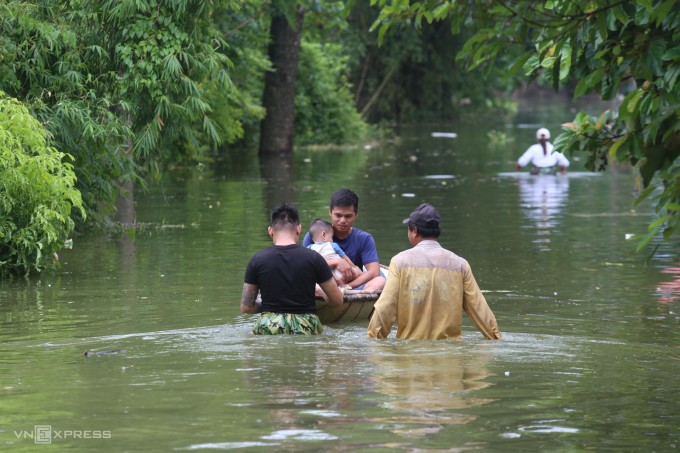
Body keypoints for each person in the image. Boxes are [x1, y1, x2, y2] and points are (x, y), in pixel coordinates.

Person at [367, 203, 502, 340]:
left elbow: (385, 309)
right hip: (451, 358)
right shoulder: (460, 265)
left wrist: (372, 340)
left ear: (414, 231)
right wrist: (496, 337)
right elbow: (480, 310)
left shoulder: (400, 262)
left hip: (409, 357)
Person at [240, 202, 343, 335]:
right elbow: (337, 300)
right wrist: (319, 291)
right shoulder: (315, 259)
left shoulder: (256, 260)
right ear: (299, 229)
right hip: (305, 326)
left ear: (270, 231)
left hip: (269, 326)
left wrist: (266, 306)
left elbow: (246, 307)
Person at [303, 189, 385, 291]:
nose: (342, 221)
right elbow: (305, 268)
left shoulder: (365, 238)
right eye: (338, 215)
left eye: (348, 216)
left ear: (356, 214)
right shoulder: (314, 235)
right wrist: (335, 262)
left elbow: (374, 272)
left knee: (380, 280)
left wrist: (348, 286)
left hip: (354, 286)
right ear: (330, 212)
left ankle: (357, 304)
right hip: (325, 286)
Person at [307, 219, 362, 286]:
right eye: (332, 236)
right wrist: (354, 266)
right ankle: (344, 286)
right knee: (357, 271)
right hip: (338, 275)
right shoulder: (332, 245)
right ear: (323, 234)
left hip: (321, 279)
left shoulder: (309, 248)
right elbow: (345, 257)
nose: (332, 239)